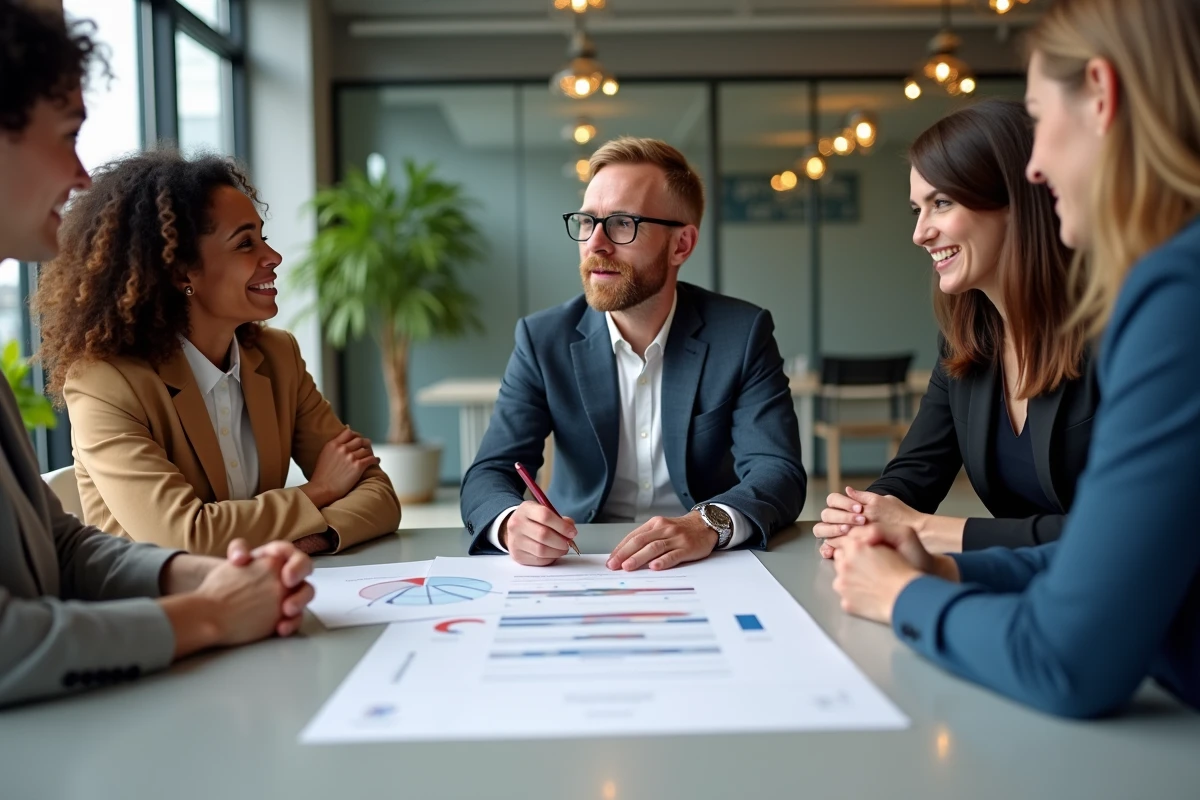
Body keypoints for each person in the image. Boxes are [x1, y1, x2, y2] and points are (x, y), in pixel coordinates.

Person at [830, 0, 1200, 717]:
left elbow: (1066, 659)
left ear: (1100, 93)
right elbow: (1109, 558)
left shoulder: (1168, 292)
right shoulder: (980, 333)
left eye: (1039, 114)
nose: (1036, 165)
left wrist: (908, 592)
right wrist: (945, 567)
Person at [0, 0, 314, 708]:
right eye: (67, 135)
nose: (81, 174)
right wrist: (209, 613)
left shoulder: (275, 354)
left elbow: (63, 547)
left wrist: (203, 577)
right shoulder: (107, 379)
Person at [32, 148, 402, 557]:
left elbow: (379, 496)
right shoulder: (106, 383)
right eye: (245, 243)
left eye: (263, 237)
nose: (272, 257)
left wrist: (311, 538)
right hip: (158, 610)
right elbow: (186, 536)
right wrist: (321, 490)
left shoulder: (278, 357)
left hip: (267, 593)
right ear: (180, 271)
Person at [460, 137, 805, 569]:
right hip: (578, 559)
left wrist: (706, 524)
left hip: (703, 561)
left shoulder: (741, 333)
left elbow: (778, 471)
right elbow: (488, 473)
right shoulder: (542, 338)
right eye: (587, 221)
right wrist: (511, 522)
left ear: (681, 244)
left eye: (623, 223)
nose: (596, 243)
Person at [816, 99, 1097, 557]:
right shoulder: (968, 340)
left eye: (941, 203)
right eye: (916, 210)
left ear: (1016, 202)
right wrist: (865, 516)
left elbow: (1124, 531)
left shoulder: (1116, 332)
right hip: (1022, 591)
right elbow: (918, 469)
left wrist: (927, 530)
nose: (919, 233)